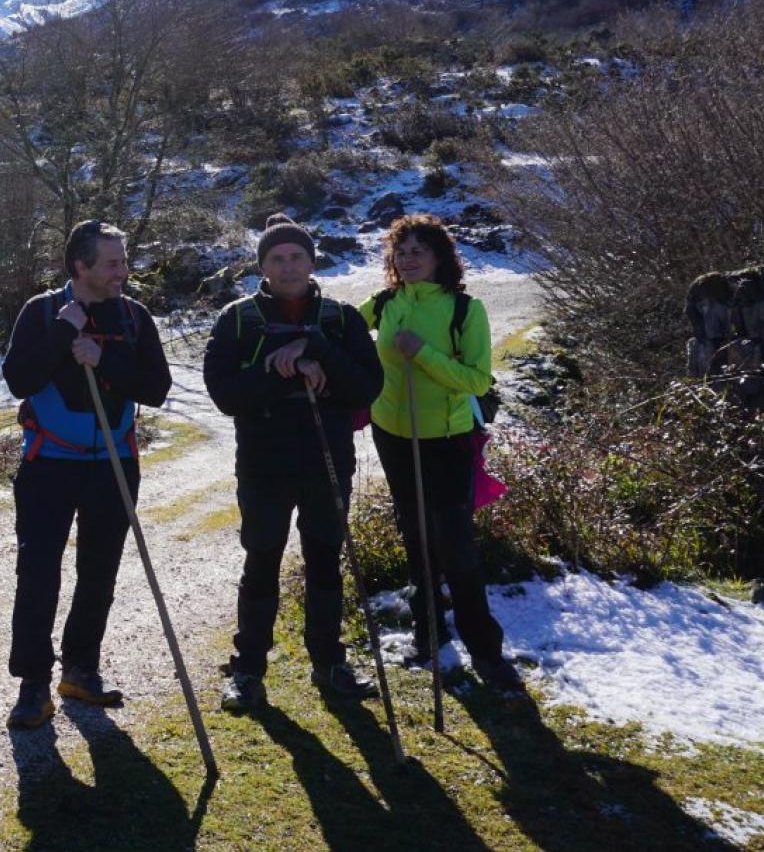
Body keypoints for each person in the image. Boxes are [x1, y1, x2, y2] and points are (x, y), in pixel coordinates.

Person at [202, 214, 384, 713]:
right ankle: (248, 672)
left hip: (329, 459)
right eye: (277, 258)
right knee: (261, 561)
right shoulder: (237, 320)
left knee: (326, 559)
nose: (288, 267)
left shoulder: (341, 319)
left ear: (311, 260)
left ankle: (330, 664)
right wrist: (282, 368)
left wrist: (316, 347)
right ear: (262, 265)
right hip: (264, 462)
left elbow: (368, 387)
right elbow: (224, 395)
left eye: (296, 257)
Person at [1, 220, 172, 730]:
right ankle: (33, 684)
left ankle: (80, 669)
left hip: (114, 463)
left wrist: (105, 359)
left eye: (123, 261)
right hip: (48, 464)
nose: (123, 271)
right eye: (113, 263)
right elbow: (17, 380)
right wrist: (64, 333)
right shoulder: (41, 312)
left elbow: (157, 387)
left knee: (99, 571)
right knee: (38, 573)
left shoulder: (134, 317)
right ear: (81, 266)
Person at [359, 214, 524, 694]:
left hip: (447, 440)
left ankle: (487, 653)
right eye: (400, 251)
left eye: (418, 251)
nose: (408, 259)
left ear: (439, 258)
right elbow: (344, 326)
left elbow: (476, 380)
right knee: (415, 535)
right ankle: (427, 633)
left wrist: (423, 354)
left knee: (456, 545)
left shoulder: (463, 310)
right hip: (393, 433)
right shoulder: (387, 301)